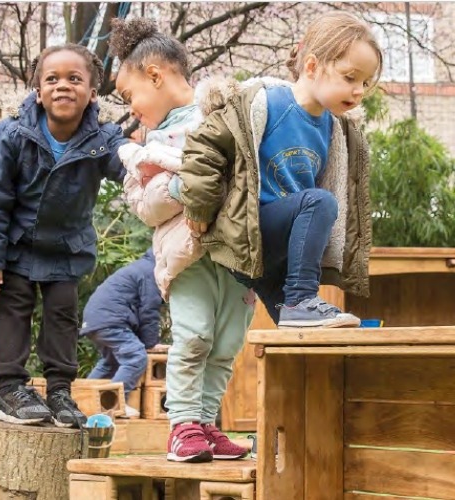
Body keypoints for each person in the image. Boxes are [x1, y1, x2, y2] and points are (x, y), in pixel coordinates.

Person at [176, 11, 382, 329]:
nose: (358, 91)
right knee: (320, 201)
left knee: (302, 337)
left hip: (278, 253)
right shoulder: (265, 102)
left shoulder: (334, 128)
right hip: (249, 231)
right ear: (312, 66)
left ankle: (300, 311)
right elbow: (204, 146)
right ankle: (301, 299)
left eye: (365, 83)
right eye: (350, 77)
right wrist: (201, 207)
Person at [111, 17, 256, 463]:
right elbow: (144, 204)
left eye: (129, 95)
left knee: (228, 343)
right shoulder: (147, 145)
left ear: (155, 75)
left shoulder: (225, 113)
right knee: (193, 337)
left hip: (236, 255)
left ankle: (207, 424)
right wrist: (184, 189)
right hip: (188, 258)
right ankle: (183, 426)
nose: (131, 108)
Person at [0, 43, 127, 429]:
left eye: (75, 79)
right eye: (52, 79)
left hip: (65, 249)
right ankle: (9, 388)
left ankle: (60, 390)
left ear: (93, 93)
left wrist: (154, 161)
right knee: (15, 307)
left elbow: (128, 164)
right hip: (16, 246)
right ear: (38, 91)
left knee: (62, 313)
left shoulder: (103, 138)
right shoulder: (13, 133)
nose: (63, 86)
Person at [80, 249, 165, 418]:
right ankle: (115, 404)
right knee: (136, 357)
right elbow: (148, 311)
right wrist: (151, 344)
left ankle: (82, 402)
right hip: (111, 320)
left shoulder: (142, 267)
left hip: (96, 320)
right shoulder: (152, 272)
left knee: (111, 363)